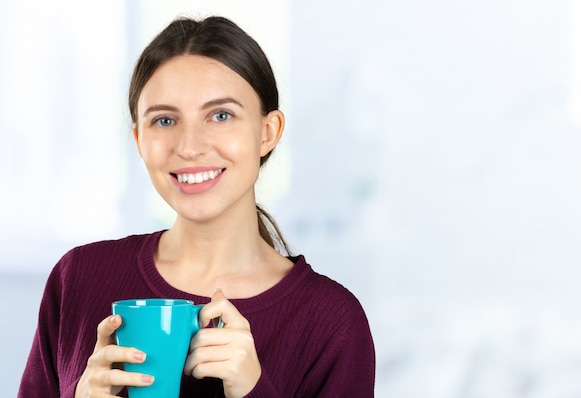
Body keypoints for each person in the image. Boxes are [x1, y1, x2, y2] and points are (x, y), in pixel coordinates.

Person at [18, 15, 375, 398]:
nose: (189, 146)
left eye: (221, 115)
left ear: (267, 132)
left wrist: (255, 390)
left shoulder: (333, 322)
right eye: (165, 120)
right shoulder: (78, 279)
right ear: (139, 139)